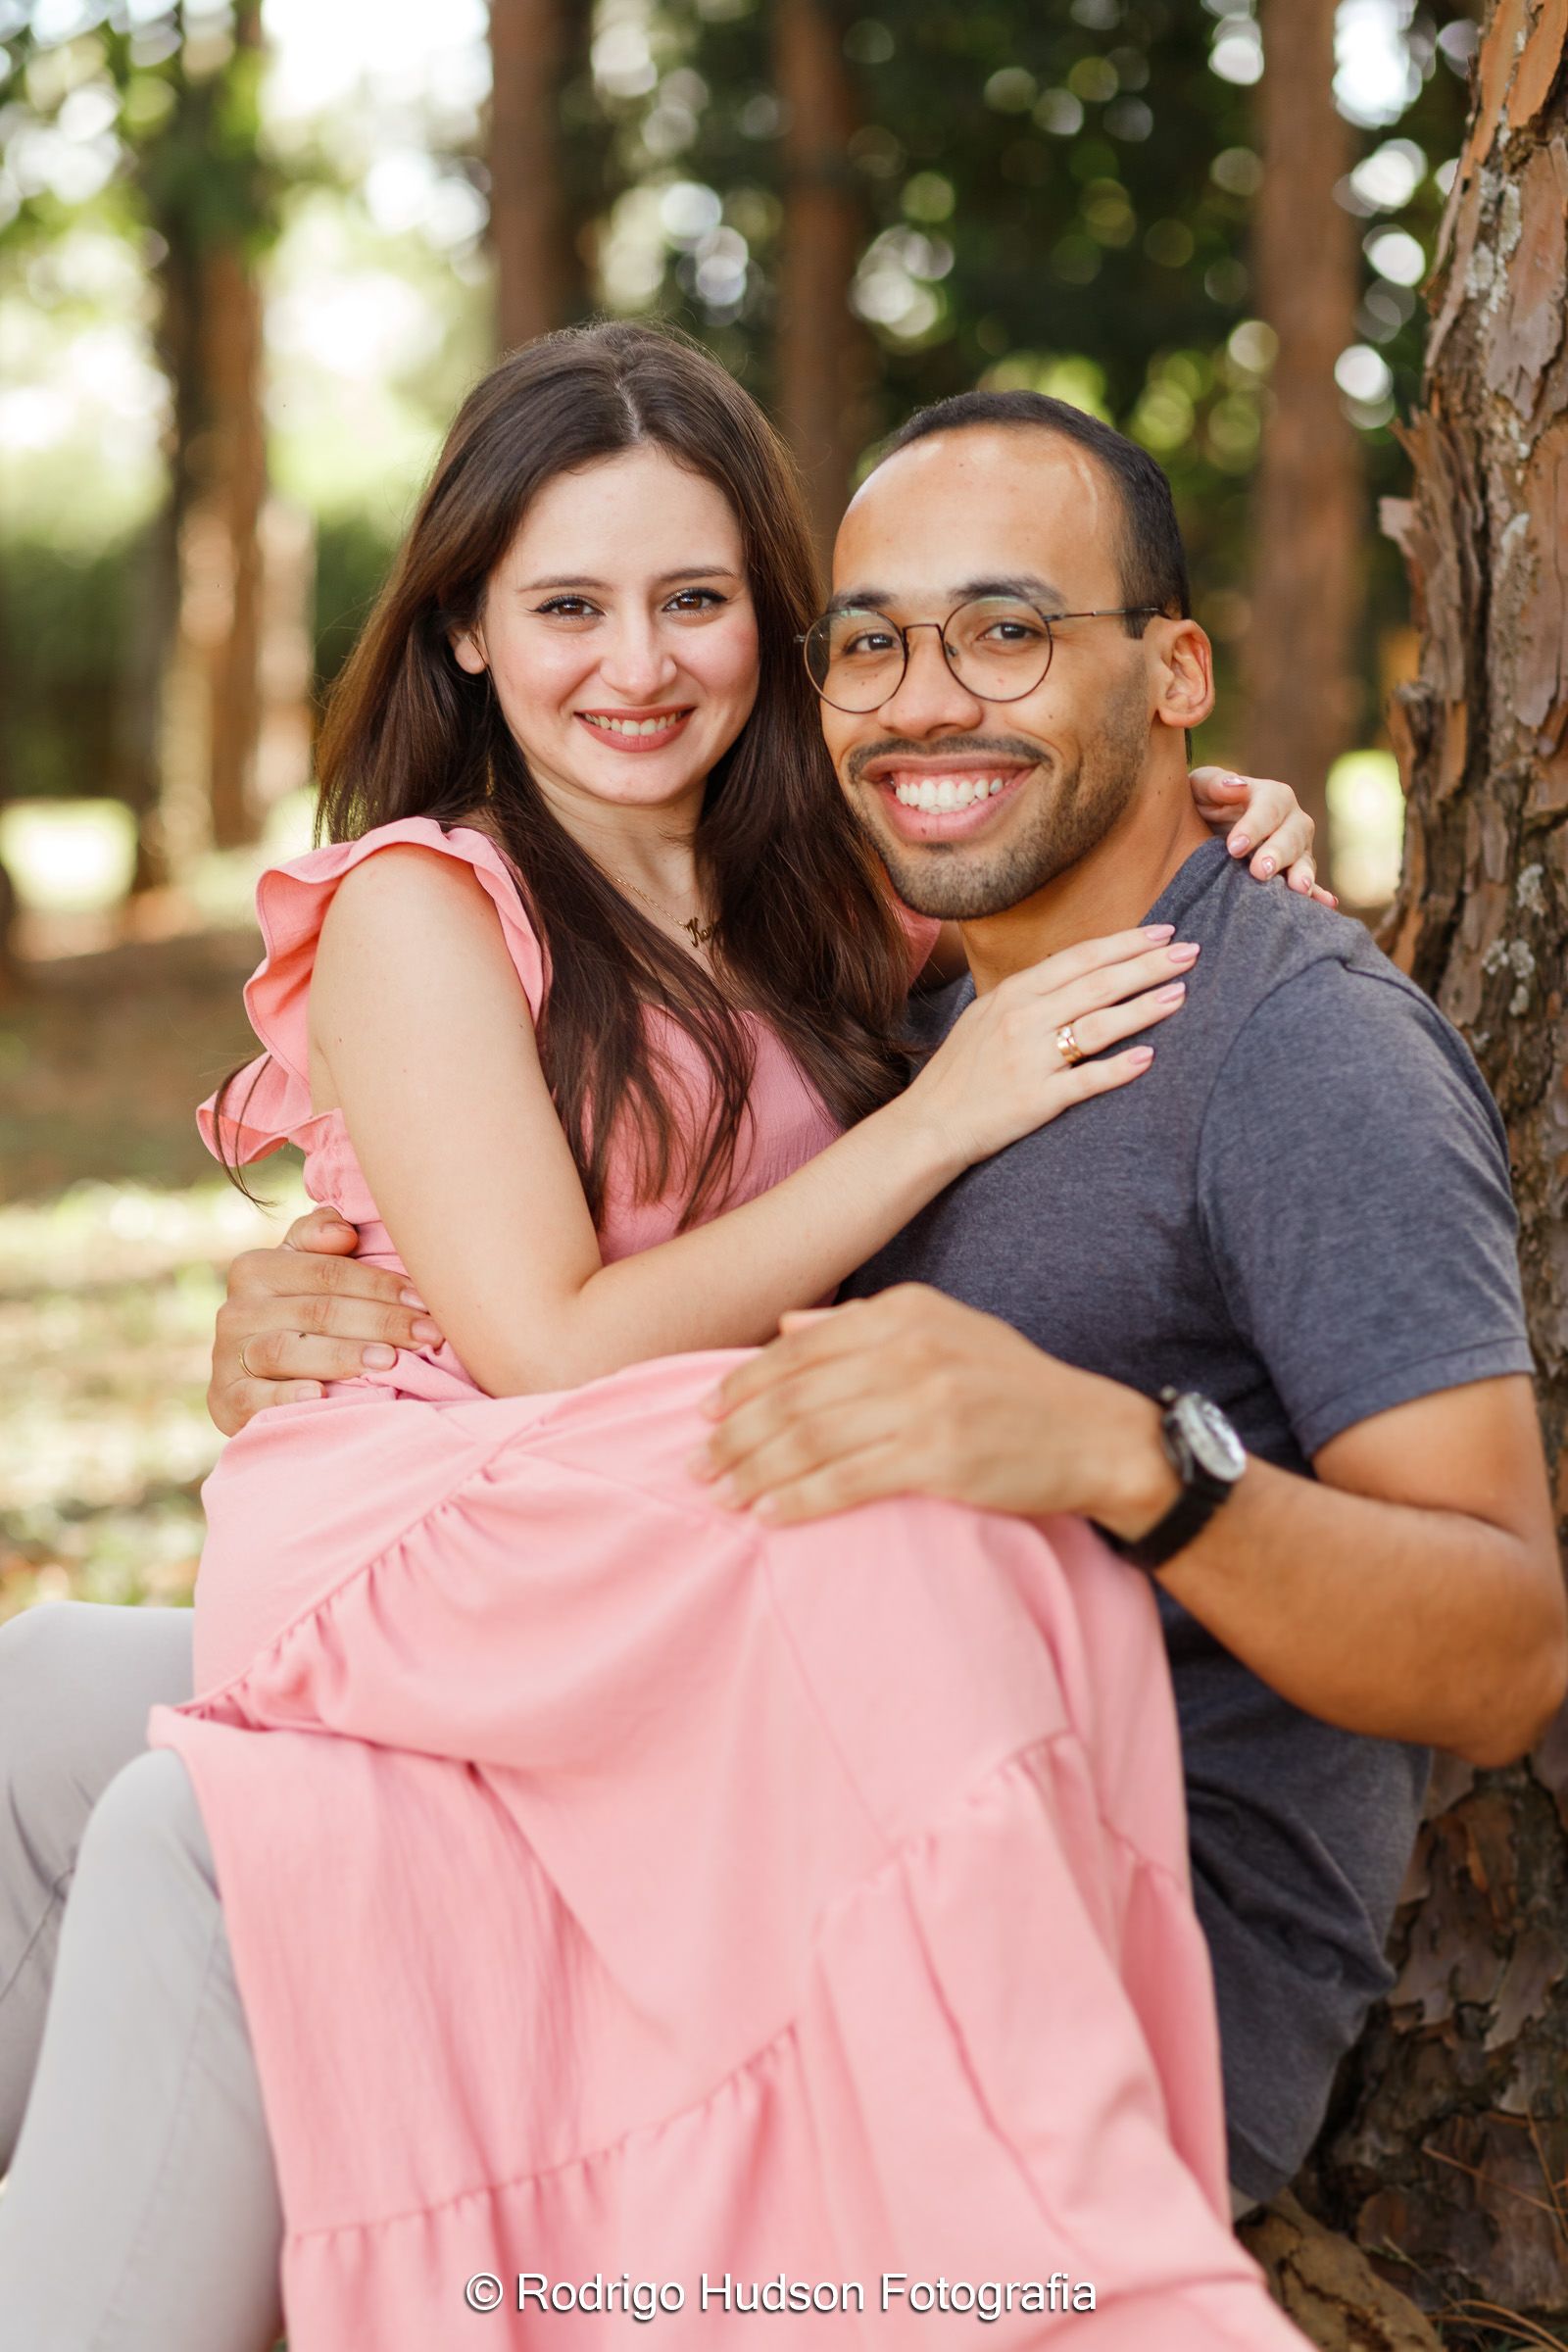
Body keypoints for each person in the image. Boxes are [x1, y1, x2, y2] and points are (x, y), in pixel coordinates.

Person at [0, 327, 1352, 2352]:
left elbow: (1041, 837)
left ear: (767, 625)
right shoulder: (422, 907)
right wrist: (940, 1117)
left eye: (693, 601)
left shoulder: (812, 885)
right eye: (565, 606)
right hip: (448, 1514)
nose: (634, 665)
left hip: (628, 1537)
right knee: (848, 1507)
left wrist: (1206, 812)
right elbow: (548, 1346)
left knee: (45, 1703)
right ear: (463, 629)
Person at [201, 385, 1566, 2211]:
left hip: (1080, 1979)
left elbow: (1504, 1661)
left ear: (1174, 672)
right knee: (90, 1754)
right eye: (876, 644)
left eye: (1008, 632)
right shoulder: (882, 984)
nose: (931, 698)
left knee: (168, 1853)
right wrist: (346, 1302)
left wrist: (1128, 1457)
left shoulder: (1296, 1056)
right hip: (747, 1818)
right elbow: (591, 1285)